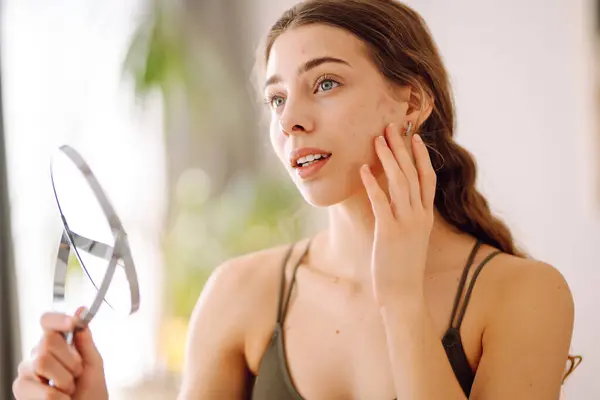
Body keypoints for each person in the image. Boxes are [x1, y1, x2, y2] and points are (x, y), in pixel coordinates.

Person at [13, 0, 581, 399]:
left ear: (410, 103)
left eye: (325, 83)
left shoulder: (525, 296)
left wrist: (402, 302)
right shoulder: (241, 292)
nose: (292, 121)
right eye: (276, 99)